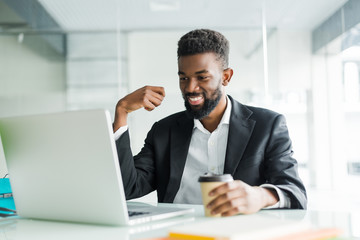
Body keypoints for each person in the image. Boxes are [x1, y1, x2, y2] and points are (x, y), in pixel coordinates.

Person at [113, 29, 307, 216]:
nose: (190, 87)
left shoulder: (268, 125)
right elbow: (128, 188)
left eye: (202, 77)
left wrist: (261, 196)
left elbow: (295, 194)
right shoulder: (164, 131)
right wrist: (122, 111)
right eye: (184, 78)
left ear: (226, 76)